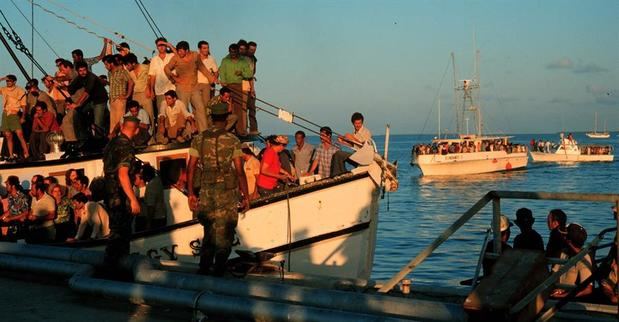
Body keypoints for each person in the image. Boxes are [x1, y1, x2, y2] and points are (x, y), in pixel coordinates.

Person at [186, 102, 249, 276]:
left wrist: (191, 193)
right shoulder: (233, 141)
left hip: (206, 190)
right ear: (226, 118)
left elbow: (190, 167)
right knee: (225, 231)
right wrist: (246, 196)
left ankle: (204, 267)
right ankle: (219, 268)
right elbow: (239, 171)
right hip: (227, 191)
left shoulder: (199, 139)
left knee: (209, 230)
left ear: (212, 118)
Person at [102, 116, 141, 267]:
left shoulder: (112, 143)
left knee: (115, 231)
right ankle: (114, 269)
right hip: (120, 194)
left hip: (109, 192)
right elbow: (122, 174)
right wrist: (133, 199)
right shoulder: (127, 146)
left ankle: (112, 267)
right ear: (136, 130)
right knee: (121, 235)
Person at [164, 40, 215, 133]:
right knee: (184, 111)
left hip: (194, 87)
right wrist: (173, 78)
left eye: (181, 51)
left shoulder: (195, 55)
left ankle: (204, 132)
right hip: (182, 88)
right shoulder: (176, 58)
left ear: (187, 50)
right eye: (178, 50)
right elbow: (166, 68)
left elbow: (202, 67)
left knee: (200, 109)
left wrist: (211, 79)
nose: (179, 53)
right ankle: (186, 134)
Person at [67, 61, 109, 144]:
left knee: (98, 122)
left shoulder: (91, 77)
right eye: (80, 71)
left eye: (84, 70)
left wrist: (77, 104)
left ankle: (99, 142)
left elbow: (86, 93)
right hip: (90, 101)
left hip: (99, 101)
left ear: (87, 69)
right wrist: (58, 84)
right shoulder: (79, 78)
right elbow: (70, 89)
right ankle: (82, 139)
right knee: (77, 114)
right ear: (78, 71)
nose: (83, 72)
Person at [550, 223, 593, 299]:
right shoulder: (563, 253)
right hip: (557, 292)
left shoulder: (583, 258)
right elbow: (553, 275)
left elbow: (588, 290)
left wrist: (563, 296)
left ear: (568, 240)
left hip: (569, 298)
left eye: (563, 236)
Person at [219, 43, 252, 136]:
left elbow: (249, 74)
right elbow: (222, 73)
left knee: (238, 109)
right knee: (227, 108)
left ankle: (240, 130)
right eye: (231, 52)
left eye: (234, 52)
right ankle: (228, 130)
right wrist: (223, 83)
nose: (232, 54)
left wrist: (241, 73)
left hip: (238, 85)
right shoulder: (225, 60)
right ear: (229, 51)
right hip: (227, 86)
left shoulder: (243, 61)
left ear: (238, 52)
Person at [331, 112, 373, 177]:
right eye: (356, 123)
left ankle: (337, 174)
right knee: (338, 154)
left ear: (362, 123)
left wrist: (351, 137)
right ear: (353, 123)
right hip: (356, 156)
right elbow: (352, 146)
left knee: (339, 154)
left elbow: (364, 145)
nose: (358, 125)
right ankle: (341, 174)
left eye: (360, 123)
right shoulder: (354, 133)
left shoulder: (366, 132)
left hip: (363, 157)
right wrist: (342, 141)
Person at [0, 75, 30, 161]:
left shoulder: (20, 90)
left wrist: (23, 117)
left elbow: (24, 106)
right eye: (7, 81)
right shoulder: (4, 89)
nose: (8, 82)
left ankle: (27, 153)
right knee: (8, 135)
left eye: (10, 81)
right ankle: (11, 155)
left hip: (14, 113)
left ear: (14, 81)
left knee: (19, 134)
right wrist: (2, 79)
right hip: (5, 113)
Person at [104, 54, 134, 137]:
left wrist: (127, 95)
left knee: (120, 122)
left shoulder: (122, 71)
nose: (105, 67)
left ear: (111, 63)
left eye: (106, 64)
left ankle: (122, 139)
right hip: (112, 100)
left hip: (120, 99)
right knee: (113, 123)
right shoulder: (109, 73)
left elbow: (131, 82)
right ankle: (114, 140)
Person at [123, 53, 154, 130]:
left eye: (128, 65)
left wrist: (149, 88)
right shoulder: (129, 72)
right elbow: (130, 83)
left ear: (133, 63)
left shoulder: (145, 67)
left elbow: (152, 77)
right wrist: (127, 95)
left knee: (149, 115)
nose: (126, 67)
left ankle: (151, 138)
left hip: (145, 93)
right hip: (135, 95)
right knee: (137, 116)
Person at [148, 37, 176, 111]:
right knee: (162, 112)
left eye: (163, 45)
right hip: (160, 91)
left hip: (172, 89)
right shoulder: (154, 59)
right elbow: (152, 76)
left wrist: (167, 44)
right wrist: (152, 90)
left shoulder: (171, 56)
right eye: (159, 45)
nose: (161, 47)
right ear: (156, 47)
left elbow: (178, 54)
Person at [135, 164, 166, 231]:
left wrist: (148, 223)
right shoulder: (158, 180)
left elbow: (151, 207)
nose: (142, 177)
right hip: (162, 216)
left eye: (142, 175)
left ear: (147, 175)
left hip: (156, 219)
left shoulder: (151, 186)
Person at [196, 40, 218, 115]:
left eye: (207, 48)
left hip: (206, 85)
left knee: (206, 105)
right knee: (197, 105)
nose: (206, 50)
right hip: (196, 84)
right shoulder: (195, 58)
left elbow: (216, 72)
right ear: (199, 49)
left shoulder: (211, 59)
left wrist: (213, 83)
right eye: (204, 48)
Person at [246, 41, 259, 135]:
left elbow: (253, 72)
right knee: (244, 109)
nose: (252, 52)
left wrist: (252, 88)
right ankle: (245, 128)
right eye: (251, 49)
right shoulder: (243, 59)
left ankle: (253, 129)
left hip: (250, 85)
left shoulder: (253, 59)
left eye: (254, 50)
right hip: (244, 86)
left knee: (252, 109)